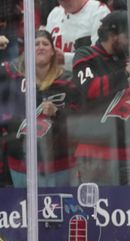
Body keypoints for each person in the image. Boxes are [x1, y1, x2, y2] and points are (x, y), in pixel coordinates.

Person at [71, 10, 130, 185]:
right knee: (99, 209)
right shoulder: (86, 56)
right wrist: (125, 72)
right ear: (112, 35)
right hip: (97, 153)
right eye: (128, 36)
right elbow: (88, 90)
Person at [3, 30, 78, 187]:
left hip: (60, 164)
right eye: (36, 44)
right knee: (25, 209)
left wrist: (57, 112)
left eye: (45, 44)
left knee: (59, 210)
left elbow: (79, 119)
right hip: (20, 164)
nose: (41, 47)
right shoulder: (14, 80)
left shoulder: (68, 80)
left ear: (53, 51)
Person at [46, 0, 110, 70]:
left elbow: (100, 56)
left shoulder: (99, 11)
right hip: (55, 77)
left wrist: (66, 58)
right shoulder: (55, 13)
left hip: (86, 77)